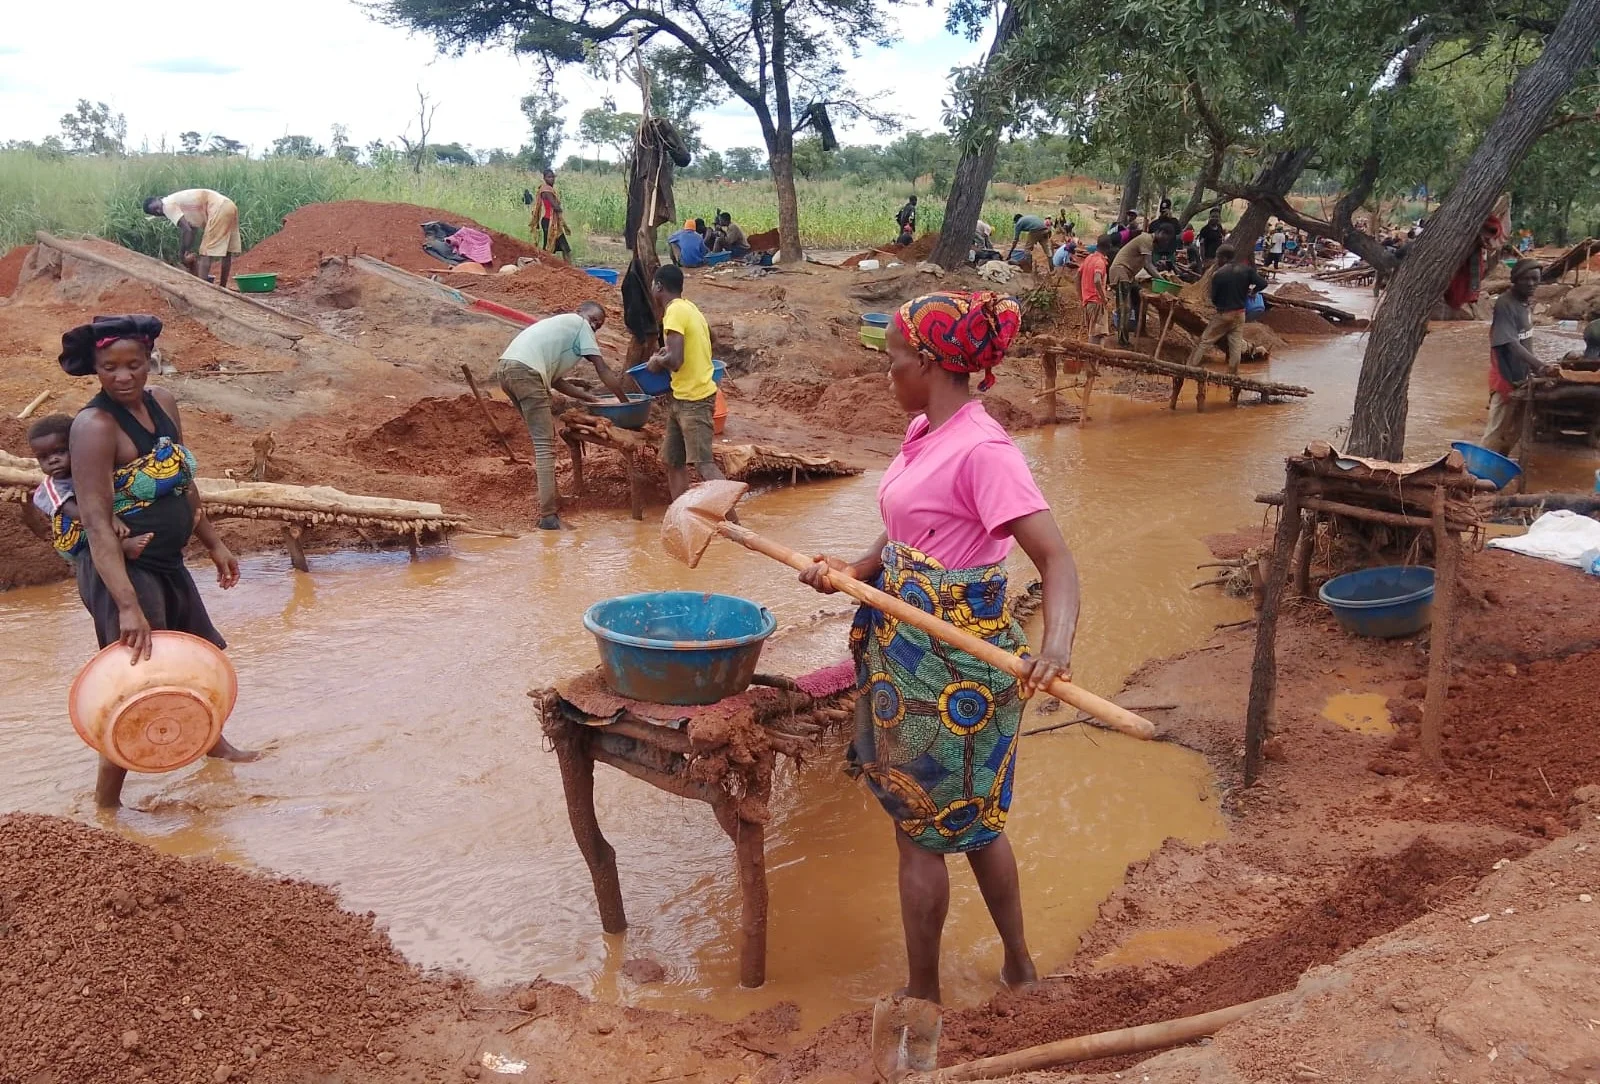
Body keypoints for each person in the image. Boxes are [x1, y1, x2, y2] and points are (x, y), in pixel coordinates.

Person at [797, 290, 1080, 1007]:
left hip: (960, 671)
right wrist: (856, 569)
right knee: (965, 825)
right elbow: (909, 524)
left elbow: (1056, 560)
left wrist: (1055, 649)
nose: (886, 374)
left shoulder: (985, 451)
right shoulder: (925, 430)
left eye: (894, 361)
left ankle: (925, 997)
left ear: (927, 364)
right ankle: (1018, 970)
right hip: (906, 656)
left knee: (930, 831)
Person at [59, 314, 254, 809]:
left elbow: (180, 478)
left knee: (191, 656)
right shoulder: (94, 426)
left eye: (133, 365)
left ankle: (214, 747)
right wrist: (127, 605)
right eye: (110, 367)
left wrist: (213, 542)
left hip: (167, 560)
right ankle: (107, 805)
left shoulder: (163, 402)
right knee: (137, 681)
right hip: (121, 571)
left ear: (151, 361)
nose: (123, 377)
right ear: (96, 369)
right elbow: (97, 523)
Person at [495, 302, 630, 530]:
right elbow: (603, 369)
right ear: (581, 312)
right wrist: (625, 402)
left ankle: (552, 498)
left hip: (507, 369)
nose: (595, 325)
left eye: (599, 324)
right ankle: (548, 517)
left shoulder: (560, 327)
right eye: (594, 319)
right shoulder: (580, 325)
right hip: (526, 373)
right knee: (544, 446)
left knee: (542, 441)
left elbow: (556, 381)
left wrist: (590, 398)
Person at [646, 266, 729, 501]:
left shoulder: (673, 311)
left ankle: (732, 517)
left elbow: (675, 361)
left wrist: (657, 361)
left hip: (695, 400)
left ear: (659, 286)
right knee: (673, 460)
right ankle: (681, 514)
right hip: (682, 397)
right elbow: (711, 338)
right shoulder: (690, 307)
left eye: (653, 284)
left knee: (704, 465)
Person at [21, 414, 149, 563]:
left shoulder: (91, 465)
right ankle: (124, 546)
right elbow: (72, 511)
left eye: (60, 451)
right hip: (74, 533)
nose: (53, 460)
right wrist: (108, 518)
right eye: (43, 457)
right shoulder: (52, 487)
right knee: (90, 526)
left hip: (96, 513)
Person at [1481, 260, 1558, 456]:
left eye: (1535, 279)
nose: (1531, 283)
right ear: (1515, 280)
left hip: (1522, 376)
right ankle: (1479, 468)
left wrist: (1535, 370)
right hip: (1505, 376)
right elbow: (1511, 344)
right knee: (1496, 430)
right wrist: (1540, 366)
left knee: (1515, 429)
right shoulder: (1505, 304)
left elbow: (1525, 343)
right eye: (1526, 279)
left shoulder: (1524, 304)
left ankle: (1500, 463)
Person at [1187, 245, 1267, 374]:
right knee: (1235, 345)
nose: (1217, 260)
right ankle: (1232, 373)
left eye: (1218, 257)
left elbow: (1214, 299)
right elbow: (1263, 283)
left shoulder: (1218, 275)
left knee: (1204, 341)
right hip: (1240, 313)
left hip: (1224, 314)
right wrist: (1253, 291)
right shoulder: (1246, 270)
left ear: (1223, 258)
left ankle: (1190, 368)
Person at [142, 190, 241, 288]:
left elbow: (187, 230)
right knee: (227, 252)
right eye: (155, 212)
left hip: (217, 208)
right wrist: (188, 250)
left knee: (205, 253)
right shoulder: (174, 201)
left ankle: (203, 288)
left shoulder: (167, 206)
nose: (159, 211)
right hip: (228, 205)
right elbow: (192, 229)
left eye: (157, 208)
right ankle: (223, 287)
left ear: (159, 199)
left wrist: (181, 254)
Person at [1108, 222, 1174, 346]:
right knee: (1125, 308)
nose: (1165, 242)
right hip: (1120, 272)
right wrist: (1163, 281)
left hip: (1129, 275)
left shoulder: (1149, 244)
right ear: (1161, 232)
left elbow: (1148, 264)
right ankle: (1123, 341)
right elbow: (1148, 265)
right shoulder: (1146, 239)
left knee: (1139, 300)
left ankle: (1140, 330)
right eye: (1166, 239)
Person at [1079, 236, 1113, 345]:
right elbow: (1097, 280)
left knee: (1095, 333)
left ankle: (1095, 354)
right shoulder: (1100, 262)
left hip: (1088, 301)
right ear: (1108, 247)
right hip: (1096, 302)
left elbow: (1077, 276)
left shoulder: (1089, 258)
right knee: (1097, 334)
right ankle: (1093, 355)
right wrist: (1104, 299)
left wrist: (1081, 296)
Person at [534, 169, 572, 263]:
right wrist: (559, 209)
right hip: (549, 222)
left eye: (553, 177)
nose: (552, 179)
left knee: (559, 247)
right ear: (544, 178)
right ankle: (543, 266)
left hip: (550, 222)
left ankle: (567, 267)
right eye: (549, 177)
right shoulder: (547, 190)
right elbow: (555, 206)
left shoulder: (546, 189)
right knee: (554, 248)